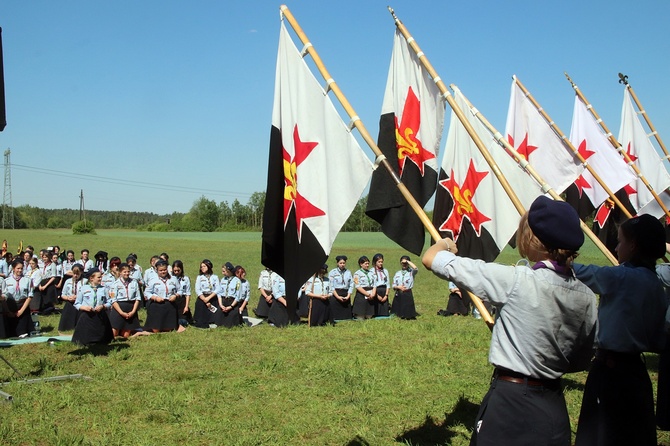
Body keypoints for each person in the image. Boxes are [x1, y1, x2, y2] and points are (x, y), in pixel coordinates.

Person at [422, 195, 598, 446]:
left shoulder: (516, 280)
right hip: (552, 404)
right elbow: (581, 358)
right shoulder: (588, 297)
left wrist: (446, 243)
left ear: (533, 239)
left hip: (510, 402)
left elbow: (431, 259)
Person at [573, 214, 667, 446]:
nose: (616, 247)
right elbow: (658, 338)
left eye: (621, 241)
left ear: (633, 245)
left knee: (601, 435)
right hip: (636, 374)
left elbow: (582, 273)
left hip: (609, 374)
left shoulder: (621, 276)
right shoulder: (656, 284)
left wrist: (557, 261)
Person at [72, 268, 113, 346]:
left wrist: (103, 306)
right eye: (98, 277)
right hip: (87, 316)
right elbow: (77, 303)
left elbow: (109, 302)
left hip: (100, 315)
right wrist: (84, 308)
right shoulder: (83, 288)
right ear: (91, 278)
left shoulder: (104, 289)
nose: (101, 279)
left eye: (101, 277)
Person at [143, 260, 179, 333]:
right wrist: (155, 298)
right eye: (161, 270)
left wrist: (175, 295)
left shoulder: (173, 279)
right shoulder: (153, 280)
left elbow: (180, 290)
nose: (163, 272)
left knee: (169, 330)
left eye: (165, 270)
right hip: (157, 304)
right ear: (157, 270)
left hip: (169, 304)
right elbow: (146, 292)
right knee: (156, 330)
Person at [109, 263, 142, 338]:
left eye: (128, 271)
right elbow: (113, 300)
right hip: (119, 308)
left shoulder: (134, 282)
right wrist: (121, 313)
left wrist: (133, 311)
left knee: (126, 335)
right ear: (120, 272)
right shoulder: (115, 284)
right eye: (124, 272)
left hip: (130, 308)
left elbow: (138, 298)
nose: (127, 273)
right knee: (114, 334)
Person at [3, 259, 34, 338]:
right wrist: (8, 311)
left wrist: (21, 311)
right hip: (10, 307)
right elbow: (4, 298)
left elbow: (29, 296)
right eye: (18, 268)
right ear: (13, 268)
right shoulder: (6, 281)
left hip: (23, 307)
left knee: (22, 333)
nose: (20, 270)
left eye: (21, 268)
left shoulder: (27, 280)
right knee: (9, 334)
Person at [213, 262, 242, 328]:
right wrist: (220, 304)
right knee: (218, 322)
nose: (222, 273)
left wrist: (231, 306)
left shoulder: (237, 281)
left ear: (229, 271)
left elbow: (238, 296)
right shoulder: (223, 280)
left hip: (232, 302)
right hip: (223, 301)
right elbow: (219, 293)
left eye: (224, 271)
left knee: (230, 324)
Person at [58, 264, 85, 332]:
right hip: (70, 303)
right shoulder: (68, 281)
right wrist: (68, 298)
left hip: (80, 303)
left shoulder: (85, 281)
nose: (75, 276)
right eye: (74, 274)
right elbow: (63, 294)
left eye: (77, 274)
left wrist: (78, 297)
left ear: (81, 273)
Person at [193, 259, 219, 328]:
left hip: (212, 296)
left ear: (209, 266)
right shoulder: (199, 277)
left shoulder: (215, 277)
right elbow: (197, 289)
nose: (202, 268)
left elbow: (217, 289)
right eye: (201, 267)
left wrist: (209, 298)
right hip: (202, 297)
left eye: (204, 266)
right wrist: (204, 299)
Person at [391, 255, 418, 319]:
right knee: (397, 313)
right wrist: (398, 287)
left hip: (407, 293)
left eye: (406, 263)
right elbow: (393, 285)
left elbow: (416, 268)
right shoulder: (398, 273)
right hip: (399, 292)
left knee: (408, 313)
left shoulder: (411, 272)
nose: (404, 264)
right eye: (403, 263)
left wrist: (408, 261)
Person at [328, 255, 353, 322]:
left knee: (346, 317)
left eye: (343, 263)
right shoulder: (332, 272)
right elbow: (331, 285)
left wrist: (348, 296)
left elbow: (351, 284)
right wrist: (337, 296)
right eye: (340, 263)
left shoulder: (348, 272)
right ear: (337, 263)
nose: (342, 265)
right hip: (336, 293)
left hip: (345, 293)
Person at [172, 260, 192, 326]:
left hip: (182, 300)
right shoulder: (171, 279)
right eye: (175, 271)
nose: (176, 272)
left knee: (183, 321)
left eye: (178, 270)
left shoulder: (186, 279)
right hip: (173, 300)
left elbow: (188, 293)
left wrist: (186, 306)